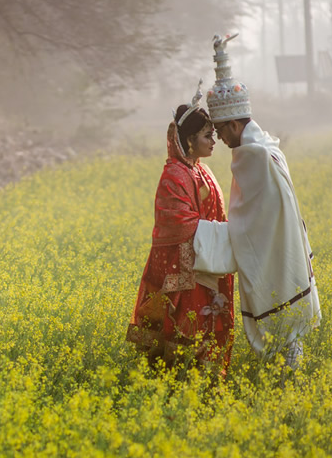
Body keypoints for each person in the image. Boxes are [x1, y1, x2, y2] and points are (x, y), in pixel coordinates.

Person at [196, 32, 321, 368]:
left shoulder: (254, 156)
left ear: (236, 124)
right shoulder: (266, 146)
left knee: (283, 326)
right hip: (282, 247)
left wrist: (210, 234)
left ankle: (290, 387)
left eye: (221, 130)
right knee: (286, 328)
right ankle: (288, 384)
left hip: (271, 249)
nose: (220, 139)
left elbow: (251, 217)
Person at [126, 80, 237, 374]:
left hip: (207, 263)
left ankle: (208, 386)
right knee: (184, 335)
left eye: (213, 135)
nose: (214, 142)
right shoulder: (173, 175)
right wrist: (222, 234)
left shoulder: (202, 170)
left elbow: (216, 215)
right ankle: (178, 386)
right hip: (184, 269)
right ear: (189, 141)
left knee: (208, 329)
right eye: (206, 136)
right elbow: (176, 222)